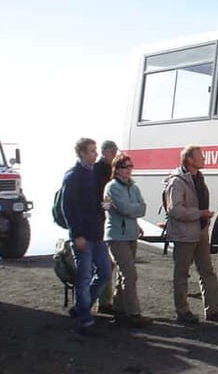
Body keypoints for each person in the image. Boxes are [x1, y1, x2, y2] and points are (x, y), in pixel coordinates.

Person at [165, 145, 218, 326]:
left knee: (207, 271)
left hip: (200, 232)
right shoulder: (177, 181)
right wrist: (199, 214)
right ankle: (183, 311)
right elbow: (174, 209)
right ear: (189, 160)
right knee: (182, 274)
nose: (204, 158)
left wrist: (204, 220)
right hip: (185, 235)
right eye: (200, 156)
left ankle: (213, 310)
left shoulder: (199, 178)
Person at [61, 137, 112, 336]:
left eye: (95, 150)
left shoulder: (95, 174)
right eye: (92, 151)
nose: (96, 154)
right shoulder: (73, 176)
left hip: (98, 234)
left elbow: (101, 203)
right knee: (84, 277)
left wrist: (106, 209)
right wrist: (77, 235)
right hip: (83, 236)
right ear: (82, 153)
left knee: (105, 272)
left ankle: (81, 308)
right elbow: (69, 209)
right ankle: (84, 318)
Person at [103, 152, 151, 328]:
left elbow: (143, 208)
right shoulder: (112, 187)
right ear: (117, 170)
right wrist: (134, 210)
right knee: (130, 274)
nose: (130, 170)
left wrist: (134, 211)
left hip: (130, 235)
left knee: (124, 275)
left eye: (131, 166)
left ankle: (118, 309)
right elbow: (124, 209)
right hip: (116, 236)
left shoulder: (133, 187)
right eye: (126, 167)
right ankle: (134, 313)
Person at [95, 140, 119, 315]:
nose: (114, 154)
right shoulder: (98, 171)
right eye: (113, 151)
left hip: (107, 221)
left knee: (108, 264)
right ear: (105, 152)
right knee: (104, 264)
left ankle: (105, 301)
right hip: (101, 222)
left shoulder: (110, 170)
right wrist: (108, 211)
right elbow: (100, 198)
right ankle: (102, 302)